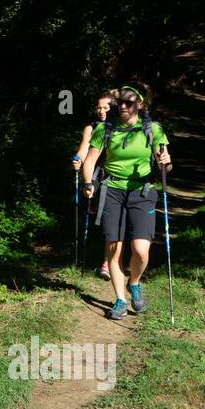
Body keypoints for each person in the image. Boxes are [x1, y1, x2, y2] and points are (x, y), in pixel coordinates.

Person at [80, 85, 172, 320]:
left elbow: (166, 167)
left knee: (141, 251)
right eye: (120, 102)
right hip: (112, 190)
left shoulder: (153, 129)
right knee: (114, 247)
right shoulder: (105, 129)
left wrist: (165, 161)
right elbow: (90, 160)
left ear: (139, 105)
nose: (123, 106)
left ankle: (135, 283)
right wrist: (89, 183)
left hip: (143, 191)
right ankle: (120, 300)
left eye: (129, 103)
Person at [72, 92, 115, 279]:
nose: (101, 111)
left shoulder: (121, 126)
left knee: (111, 216)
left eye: (106, 107)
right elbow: (83, 149)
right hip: (96, 172)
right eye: (99, 107)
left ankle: (107, 262)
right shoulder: (92, 127)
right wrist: (77, 159)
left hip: (116, 174)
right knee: (93, 202)